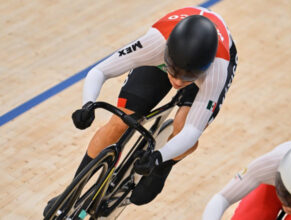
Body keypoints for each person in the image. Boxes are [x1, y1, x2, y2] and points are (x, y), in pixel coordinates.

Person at [43, 6, 238, 216]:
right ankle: (74, 189)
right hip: (164, 55)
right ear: (166, 55)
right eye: (173, 72)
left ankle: (166, 166)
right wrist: (88, 104)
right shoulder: (154, 43)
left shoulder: (216, 70)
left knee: (182, 128)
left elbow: (192, 132)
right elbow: (100, 71)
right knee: (120, 120)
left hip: (214, 62)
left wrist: (160, 158)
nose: (178, 82)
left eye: (187, 78)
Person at [203, 134, 291, 220]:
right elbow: (223, 198)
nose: (288, 207)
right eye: (286, 196)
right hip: (273, 185)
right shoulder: (269, 165)